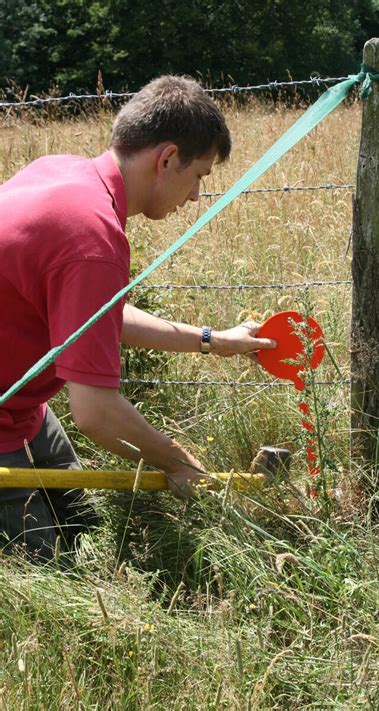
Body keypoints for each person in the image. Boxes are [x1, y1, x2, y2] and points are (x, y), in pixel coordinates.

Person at [0, 75, 276, 562]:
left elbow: (90, 313)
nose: (194, 198)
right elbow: (95, 413)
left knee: (84, 524)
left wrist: (215, 340)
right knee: (53, 573)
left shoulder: (64, 173)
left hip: (21, 408)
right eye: (199, 177)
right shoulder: (92, 236)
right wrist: (179, 464)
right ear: (167, 159)